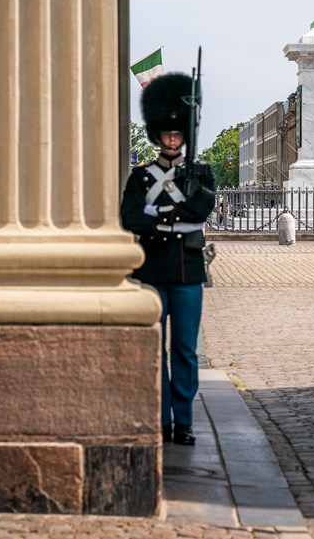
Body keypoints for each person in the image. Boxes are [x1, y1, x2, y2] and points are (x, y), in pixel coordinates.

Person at [121, 72, 216, 447]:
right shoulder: (141, 177)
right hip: (152, 271)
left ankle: (184, 420)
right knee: (155, 347)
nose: (172, 139)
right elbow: (130, 217)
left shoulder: (200, 173)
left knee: (185, 350)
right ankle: (161, 417)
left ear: (184, 136)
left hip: (189, 271)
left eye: (177, 134)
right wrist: (175, 217)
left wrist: (157, 217)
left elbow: (201, 209)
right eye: (167, 134)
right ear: (158, 135)